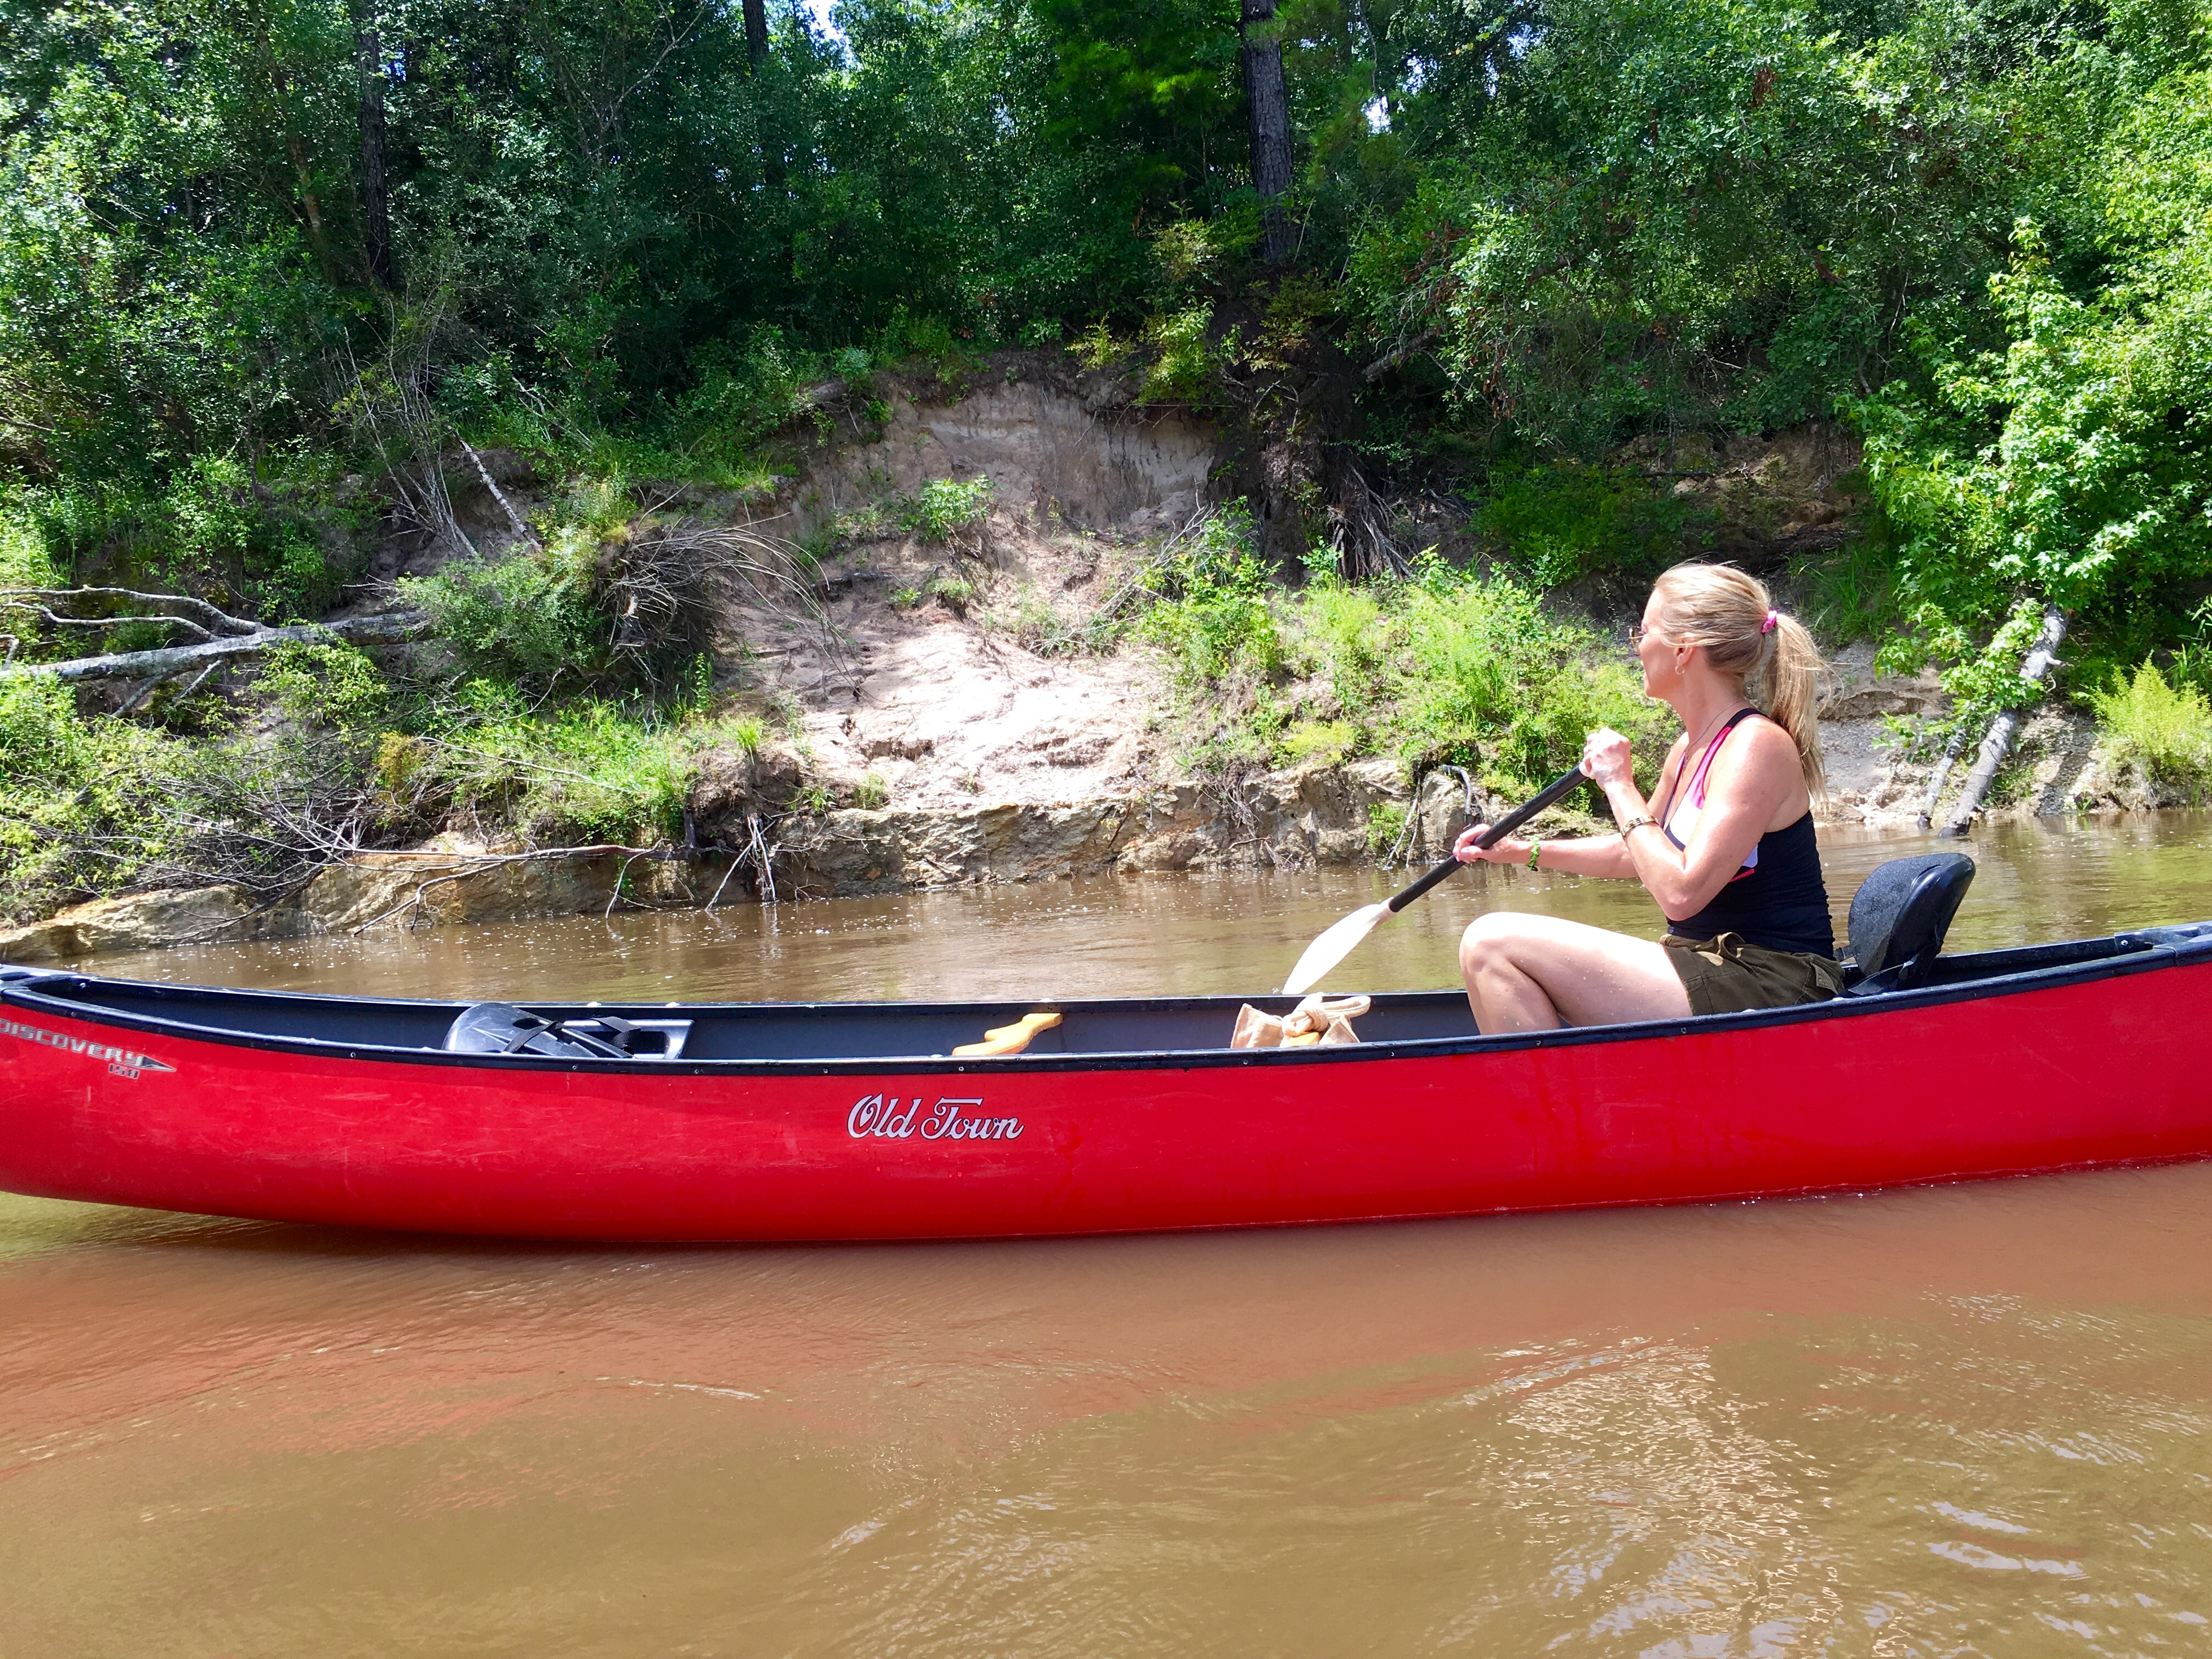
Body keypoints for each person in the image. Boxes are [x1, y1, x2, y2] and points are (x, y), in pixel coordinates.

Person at [1451, 562, 1841, 1032]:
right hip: (1708, 961)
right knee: (1493, 948)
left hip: (1776, 981)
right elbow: (1637, 853)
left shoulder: (1755, 746)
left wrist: (1619, 784)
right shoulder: (1692, 746)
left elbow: (1680, 893)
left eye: (1644, 631)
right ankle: (1556, 1098)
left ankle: (1546, 1106)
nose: (1637, 646)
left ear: (1682, 651)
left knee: (1490, 943)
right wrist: (1519, 851)